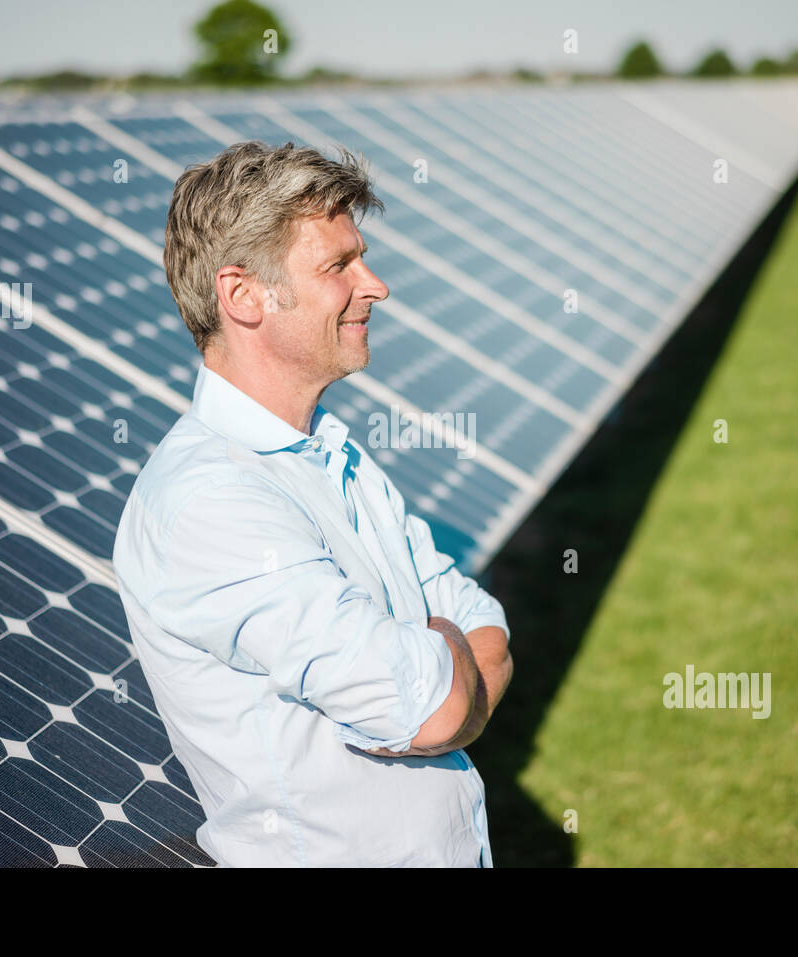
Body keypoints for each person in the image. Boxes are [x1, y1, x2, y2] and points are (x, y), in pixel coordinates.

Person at [112, 140, 513, 867]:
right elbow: (438, 707)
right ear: (243, 296)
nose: (376, 285)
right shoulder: (212, 502)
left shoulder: (333, 454)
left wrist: (438, 655)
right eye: (338, 265)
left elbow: (485, 627)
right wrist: (443, 660)